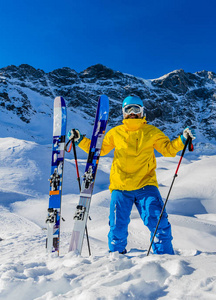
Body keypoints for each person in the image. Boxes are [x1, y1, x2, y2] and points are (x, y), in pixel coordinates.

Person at [68, 95, 195, 255]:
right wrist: (80, 140)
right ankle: (116, 258)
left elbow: (168, 150)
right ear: (123, 112)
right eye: (129, 109)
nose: (133, 113)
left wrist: (182, 139)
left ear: (142, 111)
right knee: (117, 226)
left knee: (158, 222)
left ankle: (165, 257)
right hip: (121, 187)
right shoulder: (115, 133)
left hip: (146, 185)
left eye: (137, 109)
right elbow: (100, 150)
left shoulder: (152, 132)